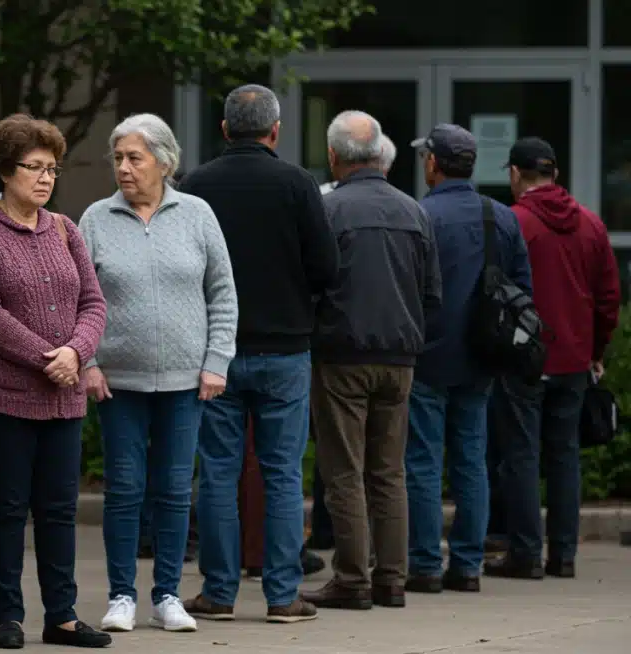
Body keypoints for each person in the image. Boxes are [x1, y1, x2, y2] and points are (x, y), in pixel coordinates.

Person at [178, 84, 339, 624]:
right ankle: (282, 595)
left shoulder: (196, 185)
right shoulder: (297, 183)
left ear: (224, 129)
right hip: (286, 349)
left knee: (218, 471)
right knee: (283, 474)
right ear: (275, 131)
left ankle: (219, 592)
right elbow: (326, 267)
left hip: (215, 352)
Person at [0, 114, 111, 649]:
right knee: (6, 506)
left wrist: (76, 351)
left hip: (62, 397)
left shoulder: (65, 229)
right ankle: (9, 618)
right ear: (3, 170)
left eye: (52, 168)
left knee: (59, 509)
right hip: (0, 397)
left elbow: (93, 302)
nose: (46, 178)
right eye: (34, 167)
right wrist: (50, 356)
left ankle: (62, 615)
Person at [78, 113, 238, 634]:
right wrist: (89, 361)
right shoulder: (96, 219)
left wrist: (217, 361)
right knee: (124, 488)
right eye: (118, 158)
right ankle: (121, 595)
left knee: (173, 489)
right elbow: (77, 300)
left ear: (164, 162)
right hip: (117, 382)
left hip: (185, 382)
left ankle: (168, 593)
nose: (124, 168)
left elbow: (222, 293)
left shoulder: (198, 214)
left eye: (135, 158)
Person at [300, 111, 441, 611]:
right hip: (400, 357)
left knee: (344, 471)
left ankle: (353, 579)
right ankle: (393, 580)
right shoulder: (414, 211)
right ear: (380, 153)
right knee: (389, 471)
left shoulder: (329, 210)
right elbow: (431, 294)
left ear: (334, 156)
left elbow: (311, 285)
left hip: (341, 354)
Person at [484, 137, 620, 580]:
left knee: (521, 454)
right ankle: (563, 555)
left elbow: (493, 290)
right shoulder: (591, 225)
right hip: (575, 359)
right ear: (556, 174)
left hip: (525, 357)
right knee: (565, 455)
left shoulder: (513, 221)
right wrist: (595, 352)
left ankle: (525, 553)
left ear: (515, 175)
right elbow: (608, 298)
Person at [405, 124, 532, 595]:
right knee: (470, 462)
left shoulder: (420, 214)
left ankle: (424, 564)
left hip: (427, 355)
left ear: (434, 163)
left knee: (421, 462)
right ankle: (467, 564)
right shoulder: (499, 216)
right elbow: (522, 290)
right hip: (481, 356)